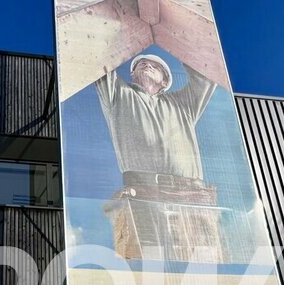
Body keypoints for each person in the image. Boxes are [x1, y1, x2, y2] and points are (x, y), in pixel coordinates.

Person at [96, 54, 224, 263]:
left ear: (165, 82)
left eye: (155, 65)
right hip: (144, 194)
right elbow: (98, 61)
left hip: (191, 195)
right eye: (140, 64)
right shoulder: (118, 94)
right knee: (147, 264)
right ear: (132, 74)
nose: (146, 64)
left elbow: (206, 75)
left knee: (205, 267)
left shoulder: (183, 105)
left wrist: (175, 35)